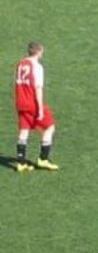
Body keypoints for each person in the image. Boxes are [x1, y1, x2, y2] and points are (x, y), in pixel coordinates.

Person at [13, 41, 56, 172]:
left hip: (20, 101)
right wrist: (40, 109)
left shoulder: (20, 64)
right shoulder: (37, 67)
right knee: (49, 127)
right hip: (32, 103)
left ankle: (21, 163)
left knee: (24, 130)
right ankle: (43, 159)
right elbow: (38, 89)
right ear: (38, 52)